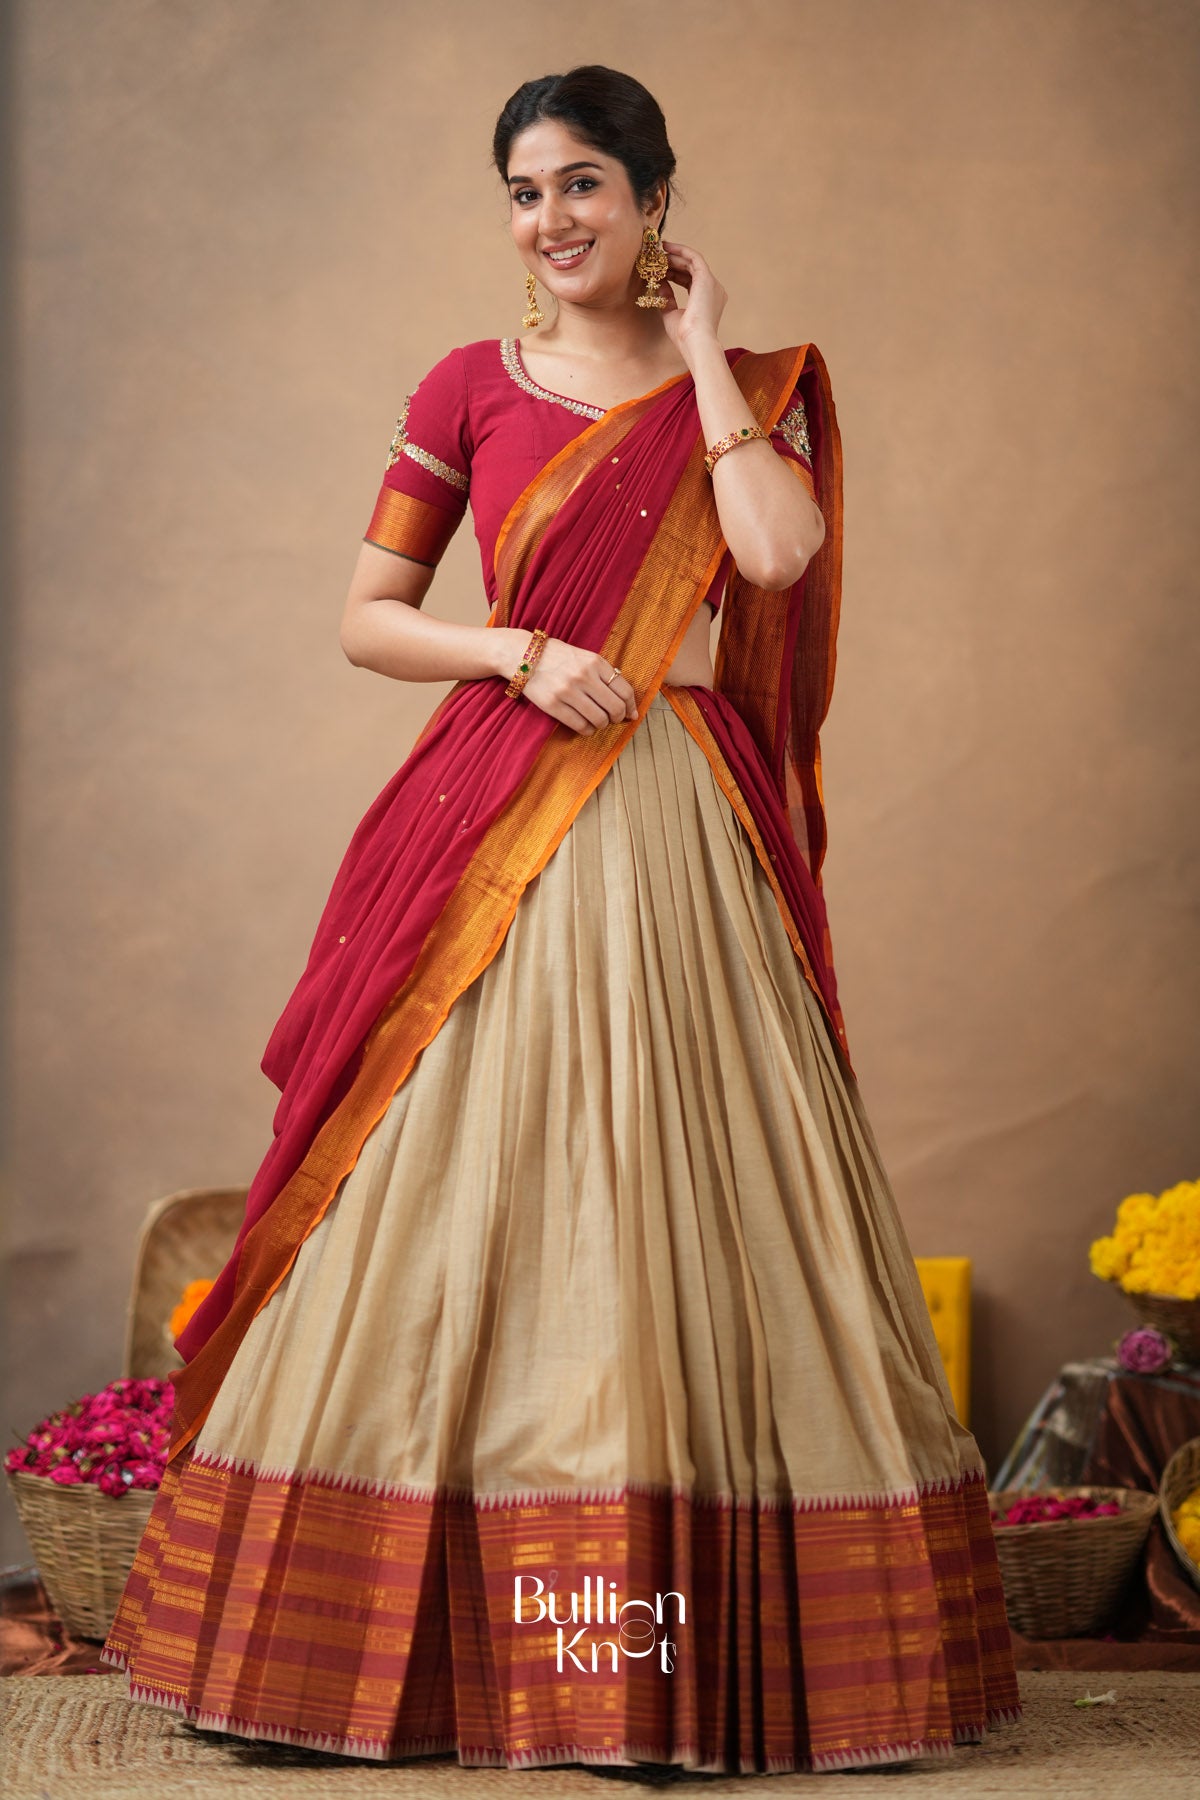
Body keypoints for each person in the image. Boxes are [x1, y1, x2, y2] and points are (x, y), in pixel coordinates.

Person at [101, 64, 1023, 1777]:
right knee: (457, 1194)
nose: (554, 222)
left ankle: (643, 1668)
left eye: (587, 184)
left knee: (683, 1197)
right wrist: (518, 651)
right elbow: (372, 617)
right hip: (498, 821)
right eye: (526, 193)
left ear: (655, 197)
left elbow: (773, 556)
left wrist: (701, 356)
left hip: (679, 823)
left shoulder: (750, 388)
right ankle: (373, 1667)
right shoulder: (468, 383)